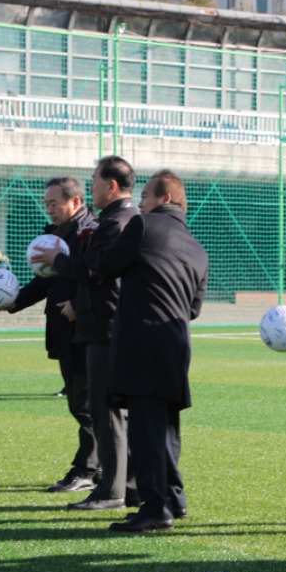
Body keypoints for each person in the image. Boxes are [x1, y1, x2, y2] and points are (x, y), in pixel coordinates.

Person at [93, 170, 209, 532]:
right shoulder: (198, 248)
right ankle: (174, 499)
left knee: (145, 430)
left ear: (165, 199)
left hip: (142, 343)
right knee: (166, 429)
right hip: (176, 343)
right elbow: (193, 309)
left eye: (145, 196)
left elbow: (105, 267)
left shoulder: (143, 226)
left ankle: (155, 509)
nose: (139, 203)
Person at [34, 156, 139, 512]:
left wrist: (57, 261)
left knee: (105, 410)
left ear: (110, 186)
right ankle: (127, 485)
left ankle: (110, 488)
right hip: (98, 326)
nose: (90, 186)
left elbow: (96, 270)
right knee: (104, 409)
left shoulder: (115, 222)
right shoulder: (113, 220)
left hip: (102, 329)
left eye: (93, 181)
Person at [4, 177, 99, 493]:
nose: (49, 209)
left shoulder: (92, 232)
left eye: (54, 203)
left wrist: (79, 305)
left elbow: (98, 277)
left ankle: (88, 469)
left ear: (75, 202)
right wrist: (16, 300)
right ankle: (99, 468)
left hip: (87, 329)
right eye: (46, 204)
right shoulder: (53, 234)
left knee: (86, 404)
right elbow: (45, 281)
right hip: (62, 330)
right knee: (79, 402)